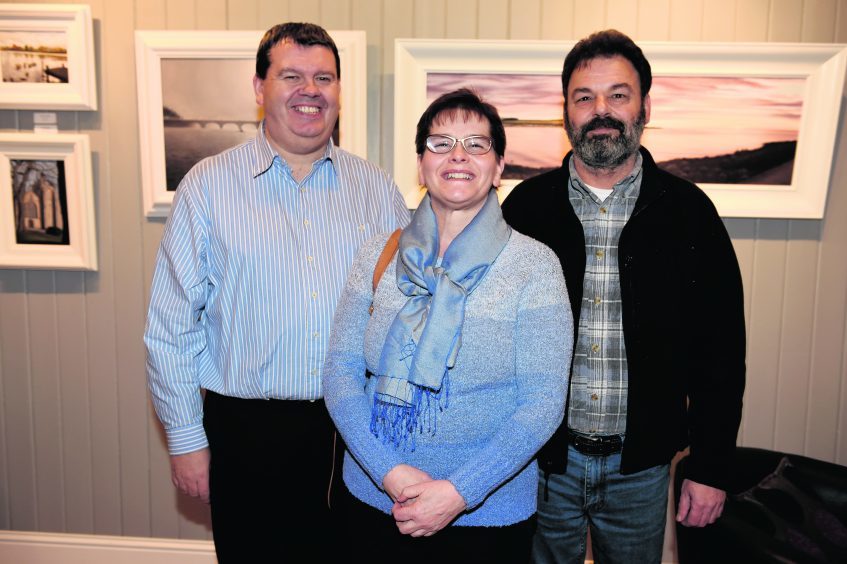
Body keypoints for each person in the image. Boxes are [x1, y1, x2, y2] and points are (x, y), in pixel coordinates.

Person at [144, 22, 409, 562]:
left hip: (355, 432)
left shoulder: (377, 189)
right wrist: (186, 439)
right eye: (292, 75)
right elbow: (169, 328)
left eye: (324, 77)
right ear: (259, 88)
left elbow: (407, 309)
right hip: (248, 435)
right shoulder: (209, 186)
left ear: (339, 90)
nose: (310, 90)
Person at [501, 29, 746, 564]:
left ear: (645, 106)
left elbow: (721, 354)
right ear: (564, 110)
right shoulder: (524, 210)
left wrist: (710, 467)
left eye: (618, 94)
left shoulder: (689, 213)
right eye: (584, 97)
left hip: (641, 470)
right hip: (539, 466)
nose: (601, 110)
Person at [322, 88, 574, 563]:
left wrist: (459, 492)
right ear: (421, 164)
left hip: (486, 517)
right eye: (441, 143)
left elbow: (541, 405)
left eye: (477, 144)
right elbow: (340, 372)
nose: (458, 155)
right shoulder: (378, 254)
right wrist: (389, 473)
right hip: (375, 502)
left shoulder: (534, 266)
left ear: (499, 167)